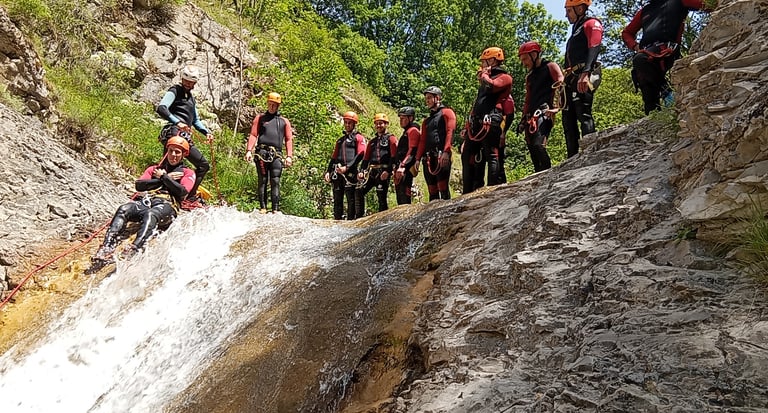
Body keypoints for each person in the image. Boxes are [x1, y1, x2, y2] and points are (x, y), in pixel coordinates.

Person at [91, 136, 196, 266]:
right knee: (124, 209)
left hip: (168, 206)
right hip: (148, 201)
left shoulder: (187, 172)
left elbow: (182, 192)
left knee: (151, 214)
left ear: (183, 155)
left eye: (177, 152)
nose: (173, 155)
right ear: (167, 151)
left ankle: (135, 248)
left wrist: (164, 177)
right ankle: (107, 247)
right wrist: (163, 178)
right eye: (171, 151)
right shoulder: (154, 170)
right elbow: (139, 185)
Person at [621, 0, 715, 114]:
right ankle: (654, 117)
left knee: (640, 60)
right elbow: (627, 32)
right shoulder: (644, 11)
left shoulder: (678, 1)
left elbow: (707, 4)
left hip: (668, 50)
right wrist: (635, 46)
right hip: (648, 53)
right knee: (647, 92)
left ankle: (667, 93)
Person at [155, 64, 214, 201]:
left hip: (184, 136)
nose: (187, 84)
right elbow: (162, 108)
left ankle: (188, 195)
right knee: (169, 163)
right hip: (174, 132)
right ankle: (164, 190)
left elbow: (195, 120)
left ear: (195, 83)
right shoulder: (175, 90)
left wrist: (206, 132)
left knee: (203, 165)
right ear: (182, 79)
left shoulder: (191, 99)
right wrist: (177, 122)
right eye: (186, 81)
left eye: (191, 82)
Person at [462, 47, 513, 193]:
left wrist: (484, 75)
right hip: (477, 121)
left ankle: (491, 190)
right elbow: (479, 102)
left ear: (492, 60)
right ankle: (468, 191)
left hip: (491, 119)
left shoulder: (505, 77)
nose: (482, 65)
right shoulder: (485, 80)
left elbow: (492, 87)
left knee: (492, 154)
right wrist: (468, 124)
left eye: (484, 62)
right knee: (468, 154)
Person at [562, 0, 603, 158]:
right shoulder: (576, 29)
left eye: (569, 11)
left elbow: (595, 46)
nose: (566, 15)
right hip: (571, 77)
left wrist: (585, 73)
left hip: (583, 75)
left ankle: (590, 154)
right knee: (568, 119)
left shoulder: (591, 23)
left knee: (583, 113)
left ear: (580, 8)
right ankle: (571, 158)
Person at [517, 41, 565, 172]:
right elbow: (528, 100)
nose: (524, 63)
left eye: (525, 59)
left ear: (534, 54)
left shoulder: (550, 66)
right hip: (530, 115)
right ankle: (540, 178)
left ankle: (549, 174)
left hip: (544, 112)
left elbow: (561, 83)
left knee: (539, 146)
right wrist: (522, 120)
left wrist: (557, 107)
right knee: (533, 151)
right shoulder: (530, 76)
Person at [244, 92, 294, 213]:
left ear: (278, 106)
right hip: (262, 152)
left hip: (276, 154)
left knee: (275, 180)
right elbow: (253, 134)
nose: (272, 107)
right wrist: (249, 151)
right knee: (263, 180)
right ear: (267, 104)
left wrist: (289, 156)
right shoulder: (260, 118)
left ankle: (275, 209)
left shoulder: (284, 121)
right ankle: (263, 208)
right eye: (270, 104)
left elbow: (288, 139)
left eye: (274, 105)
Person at [324, 111, 367, 220]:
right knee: (337, 199)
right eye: (346, 122)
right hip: (338, 172)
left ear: (354, 124)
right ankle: (337, 220)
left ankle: (351, 221)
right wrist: (328, 171)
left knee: (350, 200)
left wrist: (347, 167)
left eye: (350, 123)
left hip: (350, 173)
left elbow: (361, 154)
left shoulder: (358, 138)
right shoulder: (340, 141)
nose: (347, 125)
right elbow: (334, 157)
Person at [416, 86, 456, 201]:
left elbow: (450, 132)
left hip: (441, 156)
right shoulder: (426, 121)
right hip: (428, 158)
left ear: (437, 98)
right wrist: (418, 158)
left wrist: (446, 152)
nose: (427, 100)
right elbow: (422, 141)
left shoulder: (447, 113)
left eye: (429, 98)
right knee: (432, 191)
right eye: (426, 98)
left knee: (442, 188)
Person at [355, 113, 398, 217]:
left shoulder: (391, 139)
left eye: (381, 123)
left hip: (383, 172)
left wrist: (388, 171)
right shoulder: (372, 142)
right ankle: (359, 217)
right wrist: (362, 171)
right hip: (372, 172)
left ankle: (382, 220)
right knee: (359, 190)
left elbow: (394, 157)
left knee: (381, 197)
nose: (378, 126)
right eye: (377, 124)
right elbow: (366, 158)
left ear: (386, 124)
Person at [393, 106, 422, 205]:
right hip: (402, 167)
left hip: (405, 168)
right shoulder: (407, 131)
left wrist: (403, 166)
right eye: (400, 118)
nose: (400, 121)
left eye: (403, 118)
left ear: (410, 118)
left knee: (404, 195)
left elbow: (412, 150)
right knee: (400, 194)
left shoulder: (413, 130)